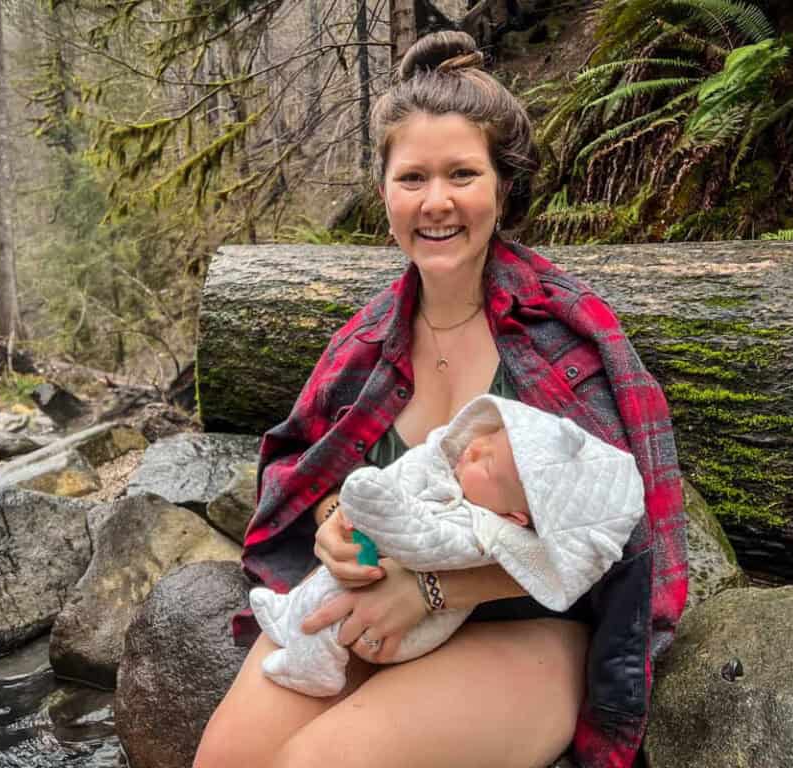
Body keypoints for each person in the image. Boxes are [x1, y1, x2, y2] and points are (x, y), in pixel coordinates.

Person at [194, 29, 687, 768]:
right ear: (385, 190)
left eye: (462, 173)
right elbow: (308, 475)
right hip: (368, 608)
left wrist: (432, 589)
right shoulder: (364, 344)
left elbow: (617, 535)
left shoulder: (564, 336)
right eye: (412, 177)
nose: (436, 203)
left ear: (502, 186)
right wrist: (334, 526)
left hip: (528, 627)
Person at [249, 394, 646, 698]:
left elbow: (591, 550)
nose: (472, 447)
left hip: (510, 637)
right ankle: (291, 618)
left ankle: (315, 662)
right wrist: (336, 516)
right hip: (362, 571)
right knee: (232, 749)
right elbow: (299, 458)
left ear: (514, 518)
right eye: (485, 437)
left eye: (487, 464)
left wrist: (428, 589)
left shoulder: (485, 527)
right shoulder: (371, 335)